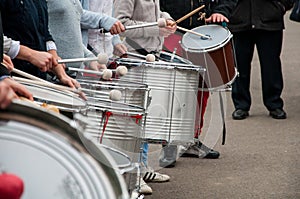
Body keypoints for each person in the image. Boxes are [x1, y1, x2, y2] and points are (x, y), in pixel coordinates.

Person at [160, 0, 237, 163]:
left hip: (202, 32)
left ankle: (191, 139)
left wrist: (221, 11)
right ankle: (169, 143)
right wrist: (161, 17)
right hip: (172, 33)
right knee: (172, 91)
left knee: (201, 90)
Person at [114, 0, 177, 195]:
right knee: (134, 119)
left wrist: (167, 19)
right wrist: (156, 28)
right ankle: (134, 174)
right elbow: (120, 24)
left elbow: (153, 15)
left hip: (150, 57)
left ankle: (143, 166)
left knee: (146, 116)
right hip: (133, 57)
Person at [229, 0, 293, 120]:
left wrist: (281, 5)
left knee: (271, 65)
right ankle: (241, 105)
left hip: (269, 19)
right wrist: (229, 9)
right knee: (239, 65)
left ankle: (274, 103)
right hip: (239, 19)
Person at [0, 0, 79, 88]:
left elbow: (44, 32)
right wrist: (30, 54)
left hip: (37, 78)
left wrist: (60, 71)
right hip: (10, 78)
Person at [47, 0, 125, 73]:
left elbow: (72, 30)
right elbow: (44, 35)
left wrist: (90, 58)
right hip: (55, 73)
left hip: (77, 70)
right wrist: (103, 20)